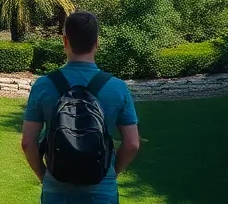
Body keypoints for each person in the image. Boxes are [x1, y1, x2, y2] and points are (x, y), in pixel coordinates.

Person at [21, 11, 140, 204]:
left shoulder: (43, 85)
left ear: (65, 41)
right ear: (97, 42)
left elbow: (28, 142)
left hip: (56, 191)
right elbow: (132, 143)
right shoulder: (117, 87)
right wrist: (110, 172)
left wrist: (44, 176)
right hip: (101, 191)